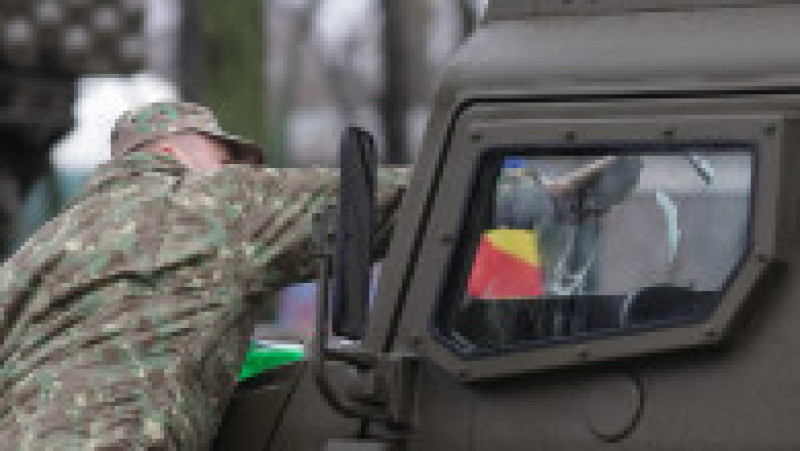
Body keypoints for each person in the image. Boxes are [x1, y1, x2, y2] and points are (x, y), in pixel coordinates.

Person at [0, 101, 408, 450]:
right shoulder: (213, 202)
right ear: (168, 152)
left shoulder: (37, 249)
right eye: (224, 158)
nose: (232, 170)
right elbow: (385, 201)